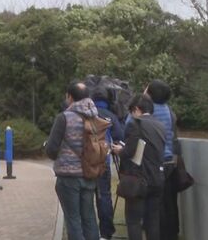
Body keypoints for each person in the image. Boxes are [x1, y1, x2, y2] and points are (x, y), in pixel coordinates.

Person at [45, 80, 101, 240]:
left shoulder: (64, 118)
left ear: (69, 97)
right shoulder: (96, 118)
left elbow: (51, 149)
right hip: (90, 174)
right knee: (89, 218)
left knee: (73, 220)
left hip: (69, 177)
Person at [111, 93, 166, 240]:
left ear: (136, 109)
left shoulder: (135, 124)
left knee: (134, 220)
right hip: (157, 178)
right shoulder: (160, 126)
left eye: (131, 111)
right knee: (153, 221)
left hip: (139, 179)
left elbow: (129, 151)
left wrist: (118, 150)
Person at [146, 80, 182, 240]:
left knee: (155, 206)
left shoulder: (148, 113)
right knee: (170, 202)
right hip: (170, 162)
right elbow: (174, 139)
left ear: (151, 94)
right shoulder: (170, 112)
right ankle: (172, 234)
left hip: (153, 164)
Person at [92, 85, 125, 240]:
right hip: (103, 163)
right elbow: (120, 137)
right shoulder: (110, 116)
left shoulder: (86, 114)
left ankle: (88, 232)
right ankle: (106, 233)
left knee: (85, 198)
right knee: (104, 196)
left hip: (85, 164)